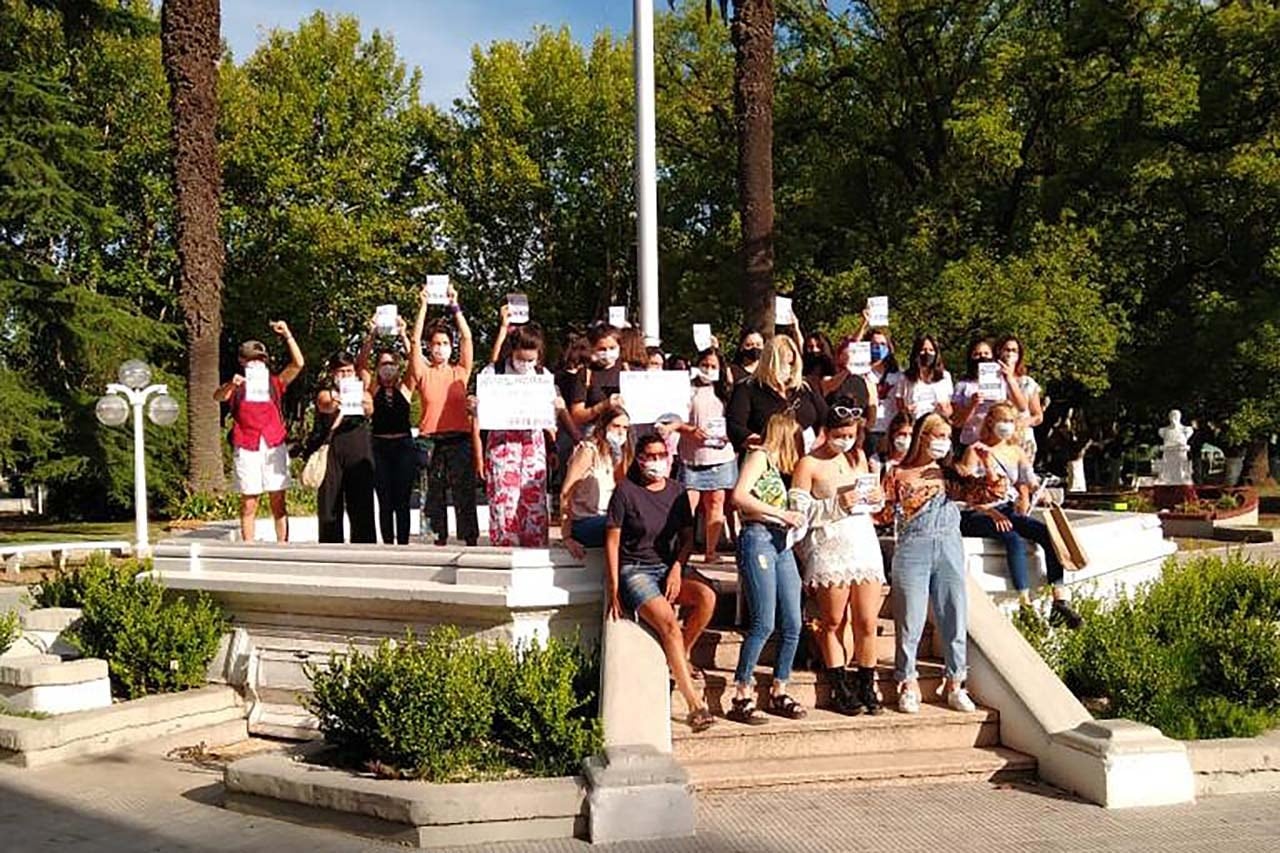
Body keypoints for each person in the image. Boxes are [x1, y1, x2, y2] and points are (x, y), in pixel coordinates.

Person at [605, 433, 717, 732]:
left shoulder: (677, 491)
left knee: (706, 597)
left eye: (661, 455)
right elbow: (613, 541)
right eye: (650, 456)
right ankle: (695, 704)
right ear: (639, 459)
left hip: (668, 566)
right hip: (636, 569)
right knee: (668, 624)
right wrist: (614, 586)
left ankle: (680, 655)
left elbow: (687, 537)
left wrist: (677, 568)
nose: (656, 462)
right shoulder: (626, 491)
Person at [790, 400, 887, 715]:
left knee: (867, 619)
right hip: (831, 545)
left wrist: (877, 498)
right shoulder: (808, 464)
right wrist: (836, 504)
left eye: (850, 435)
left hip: (862, 543)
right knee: (833, 620)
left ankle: (866, 682)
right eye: (839, 435)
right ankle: (839, 683)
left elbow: (870, 501)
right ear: (826, 431)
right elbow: (798, 512)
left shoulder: (858, 458)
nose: (845, 440)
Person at [877, 413, 974, 714]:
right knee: (910, 619)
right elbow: (882, 514)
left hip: (948, 545)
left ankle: (956, 681)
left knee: (954, 614)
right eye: (938, 435)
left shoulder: (950, 473)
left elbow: (985, 495)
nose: (944, 442)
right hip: (912, 548)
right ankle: (907, 681)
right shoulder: (897, 473)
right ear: (923, 437)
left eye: (947, 436)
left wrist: (979, 468)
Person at [956, 403, 1082, 627]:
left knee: (1045, 533)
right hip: (979, 511)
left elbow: (1029, 480)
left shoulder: (1015, 451)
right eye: (1003, 420)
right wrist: (990, 512)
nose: (1007, 426)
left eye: (1011, 421)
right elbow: (967, 492)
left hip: (1006, 507)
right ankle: (1024, 602)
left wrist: (1042, 494)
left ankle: (1059, 597)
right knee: (1012, 538)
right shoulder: (976, 450)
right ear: (990, 421)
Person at [726, 412, 808, 724]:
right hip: (758, 535)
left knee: (793, 621)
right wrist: (780, 513)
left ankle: (779, 687)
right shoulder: (760, 456)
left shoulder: (781, 468)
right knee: (763, 621)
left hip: (781, 540)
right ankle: (742, 692)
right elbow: (739, 495)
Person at [214, 322, 304, 543]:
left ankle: (282, 546)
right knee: (249, 502)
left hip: (273, 444)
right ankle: (248, 547)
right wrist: (231, 384)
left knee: (278, 500)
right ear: (242, 361)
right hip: (247, 445)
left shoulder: (274, 382)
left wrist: (287, 335)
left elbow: (298, 364)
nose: (256, 362)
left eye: (260, 359)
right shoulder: (237, 385)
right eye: (251, 359)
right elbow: (218, 397)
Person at [411, 283, 479, 546]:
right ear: (429, 347)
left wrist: (455, 306)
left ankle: (469, 538)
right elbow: (414, 341)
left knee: (464, 491)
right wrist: (423, 305)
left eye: (444, 343)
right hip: (430, 440)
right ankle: (437, 538)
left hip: (459, 438)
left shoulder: (460, 371)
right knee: (432, 493)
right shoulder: (423, 372)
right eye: (435, 344)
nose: (440, 348)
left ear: (451, 346)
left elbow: (468, 339)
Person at [480, 323, 559, 547]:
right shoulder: (494, 372)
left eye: (531, 359)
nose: (526, 364)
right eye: (521, 359)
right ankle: (504, 548)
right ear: (512, 351)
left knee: (533, 500)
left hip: (532, 445)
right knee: (504, 499)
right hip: (502, 444)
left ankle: (535, 551)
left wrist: (553, 444)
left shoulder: (543, 375)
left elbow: (550, 420)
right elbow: (481, 410)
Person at [355, 311, 416, 545]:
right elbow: (361, 364)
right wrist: (371, 334)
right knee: (385, 499)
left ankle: (404, 543)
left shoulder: (405, 387)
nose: (387, 368)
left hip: (403, 446)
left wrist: (403, 334)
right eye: (383, 364)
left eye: (391, 364)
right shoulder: (373, 388)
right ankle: (388, 543)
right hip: (379, 446)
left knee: (402, 499)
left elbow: (416, 363)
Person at [677, 348, 737, 564]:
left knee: (716, 502)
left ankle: (710, 552)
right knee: (687, 506)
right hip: (691, 456)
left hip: (720, 456)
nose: (708, 369)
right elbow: (673, 419)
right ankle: (681, 551)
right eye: (705, 365)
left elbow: (736, 419)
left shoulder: (727, 391)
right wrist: (689, 430)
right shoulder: (687, 389)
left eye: (713, 366)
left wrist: (730, 435)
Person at [313, 353, 376, 544]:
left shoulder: (363, 392)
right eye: (341, 371)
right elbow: (324, 405)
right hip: (332, 450)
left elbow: (370, 409)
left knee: (362, 504)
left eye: (349, 371)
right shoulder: (327, 392)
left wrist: (365, 404)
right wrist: (335, 403)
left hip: (358, 449)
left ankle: (365, 548)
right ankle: (330, 547)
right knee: (329, 504)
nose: (345, 375)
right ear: (333, 373)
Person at [726, 335, 828, 452]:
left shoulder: (806, 386)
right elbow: (735, 426)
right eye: (783, 364)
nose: (787, 368)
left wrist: (822, 436)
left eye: (791, 364)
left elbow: (825, 416)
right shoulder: (747, 388)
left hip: (806, 452)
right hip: (768, 452)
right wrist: (759, 442)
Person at [561, 406, 632, 558]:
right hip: (585, 521)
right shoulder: (588, 451)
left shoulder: (619, 454)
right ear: (604, 426)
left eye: (625, 428)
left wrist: (618, 461)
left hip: (610, 518)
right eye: (616, 426)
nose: (620, 432)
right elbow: (566, 492)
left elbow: (623, 488)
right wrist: (566, 536)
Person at [951, 338, 1027, 449]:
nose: (982, 357)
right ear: (970, 357)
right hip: (971, 441)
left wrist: (1009, 378)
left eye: (986, 353)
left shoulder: (1002, 380)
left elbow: (1022, 407)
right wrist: (972, 405)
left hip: (998, 441)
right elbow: (957, 422)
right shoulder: (962, 385)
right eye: (977, 354)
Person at [995, 335, 1044, 463]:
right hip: (995, 438)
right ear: (999, 351)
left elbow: (1038, 416)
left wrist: (1023, 423)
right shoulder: (991, 380)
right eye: (1007, 350)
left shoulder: (1027, 382)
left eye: (1014, 350)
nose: (1010, 354)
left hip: (1022, 439)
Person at [568, 324, 625, 430]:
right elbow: (576, 415)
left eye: (612, 348)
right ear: (593, 348)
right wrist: (603, 406)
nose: (608, 353)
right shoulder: (586, 373)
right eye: (602, 349)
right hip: (596, 430)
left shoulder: (626, 369)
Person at [894, 335, 954, 422]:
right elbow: (899, 405)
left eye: (931, 350)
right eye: (923, 350)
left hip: (937, 423)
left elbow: (950, 408)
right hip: (914, 423)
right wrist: (906, 411)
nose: (927, 353)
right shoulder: (905, 378)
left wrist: (945, 411)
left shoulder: (945, 376)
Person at [879, 411, 915, 478]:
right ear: (893, 434)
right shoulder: (878, 461)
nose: (907, 438)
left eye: (911, 435)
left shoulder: (917, 462)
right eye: (902, 434)